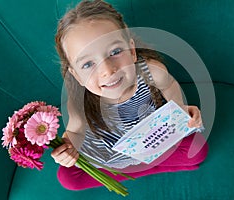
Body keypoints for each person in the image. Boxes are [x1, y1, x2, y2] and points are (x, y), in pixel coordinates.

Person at [51, 0, 208, 190]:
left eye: (115, 52)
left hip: (152, 139)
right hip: (111, 153)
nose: (108, 70)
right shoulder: (78, 101)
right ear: (77, 76)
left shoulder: (151, 70)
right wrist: (67, 149)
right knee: (68, 178)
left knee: (198, 148)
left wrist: (180, 108)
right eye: (88, 64)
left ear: (132, 51)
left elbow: (170, 85)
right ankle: (140, 169)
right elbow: (75, 132)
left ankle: (139, 169)